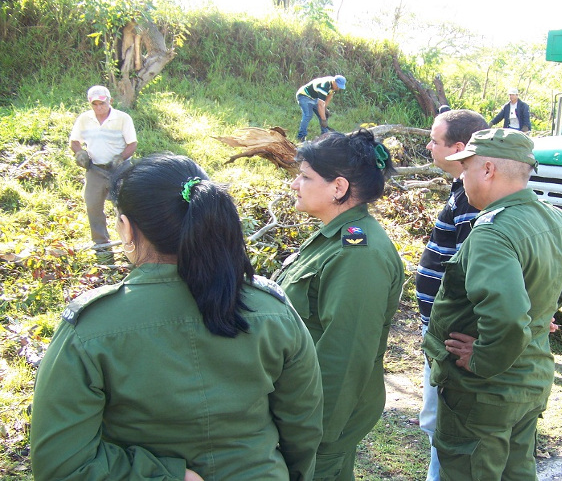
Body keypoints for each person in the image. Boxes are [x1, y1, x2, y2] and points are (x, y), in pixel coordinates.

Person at [30, 154, 324, 480]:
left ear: (127, 229)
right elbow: (303, 426)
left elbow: (60, 465)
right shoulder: (273, 312)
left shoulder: (89, 331)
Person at [422, 128, 562, 480]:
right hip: (529, 380)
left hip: (485, 392)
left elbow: (506, 316)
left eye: (467, 167)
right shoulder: (552, 217)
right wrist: (546, 306)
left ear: (487, 169)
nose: (462, 175)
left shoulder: (492, 231)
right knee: (516, 472)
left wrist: (482, 359)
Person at [275, 129, 405, 480]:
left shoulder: (358, 255)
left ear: (338, 188)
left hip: (320, 419)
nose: (294, 184)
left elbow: (345, 356)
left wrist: (311, 434)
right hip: (300, 404)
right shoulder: (335, 236)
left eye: (305, 177)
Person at [416, 109, 488, 481]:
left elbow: (472, 276)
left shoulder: (472, 201)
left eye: (434, 140)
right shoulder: (461, 190)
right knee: (435, 422)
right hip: (440, 334)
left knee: (444, 427)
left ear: (459, 149)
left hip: (452, 338)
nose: (428, 146)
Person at [70, 85, 138, 250]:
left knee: (124, 206)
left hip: (119, 169)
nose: (99, 107)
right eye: (95, 104)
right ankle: (101, 244)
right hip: (95, 169)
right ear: (90, 103)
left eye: (102, 103)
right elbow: (74, 141)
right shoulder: (84, 119)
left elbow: (132, 143)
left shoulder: (123, 118)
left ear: (110, 101)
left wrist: (121, 157)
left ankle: (131, 243)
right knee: (93, 205)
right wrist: (80, 154)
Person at [296, 75, 347, 142]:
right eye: (338, 86)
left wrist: (325, 109)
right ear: (334, 82)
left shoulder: (333, 87)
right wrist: (323, 120)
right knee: (308, 115)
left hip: (315, 98)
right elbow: (320, 105)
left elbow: (328, 97)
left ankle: (324, 136)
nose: (338, 88)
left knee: (324, 114)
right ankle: (301, 136)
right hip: (304, 96)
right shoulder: (324, 85)